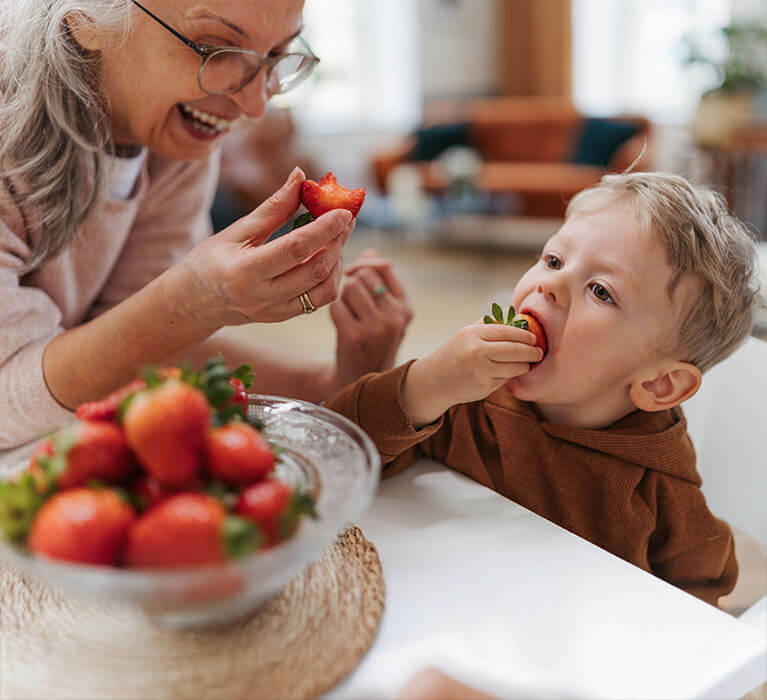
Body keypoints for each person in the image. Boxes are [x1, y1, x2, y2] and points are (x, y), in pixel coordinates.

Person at [326, 171, 762, 606]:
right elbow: (335, 455)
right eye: (554, 261)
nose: (549, 286)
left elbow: (699, 619)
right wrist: (427, 385)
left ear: (660, 383)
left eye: (600, 291)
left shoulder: (661, 493)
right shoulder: (465, 395)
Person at [0, 0, 412, 449]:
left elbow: (136, 347)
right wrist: (189, 304)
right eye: (213, 48)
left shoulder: (177, 137)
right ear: (84, 18)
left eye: (276, 55)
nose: (254, 106)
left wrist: (336, 382)